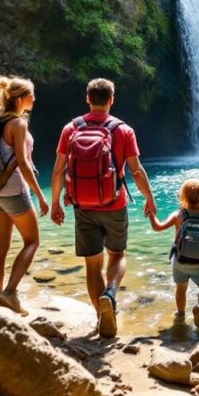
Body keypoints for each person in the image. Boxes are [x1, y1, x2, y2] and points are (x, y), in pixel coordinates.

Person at [50, 78, 157, 338]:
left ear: (87, 98)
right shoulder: (123, 130)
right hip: (114, 203)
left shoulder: (70, 128)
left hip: (82, 205)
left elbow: (58, 170)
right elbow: (137, 171)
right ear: (112, 99)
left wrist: (55, 202)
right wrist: (149, 198)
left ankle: (101, 319)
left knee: (91, 264)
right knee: (117, 255)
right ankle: (110, 293)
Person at [0, 75, 49, 316]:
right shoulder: (19, 124)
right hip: (14, 191)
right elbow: (22, 163)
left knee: (0, 247)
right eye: (32, 94)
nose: (34, 98)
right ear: (21, 99)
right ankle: (10, 293)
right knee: (32, 241)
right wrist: (40, 195)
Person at [149, 178, 199, 329]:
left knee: (181, 288)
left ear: (182, 197)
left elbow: (157, 227)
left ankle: (180, 315)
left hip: (180, 261)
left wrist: (151, 213)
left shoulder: (178, 215)